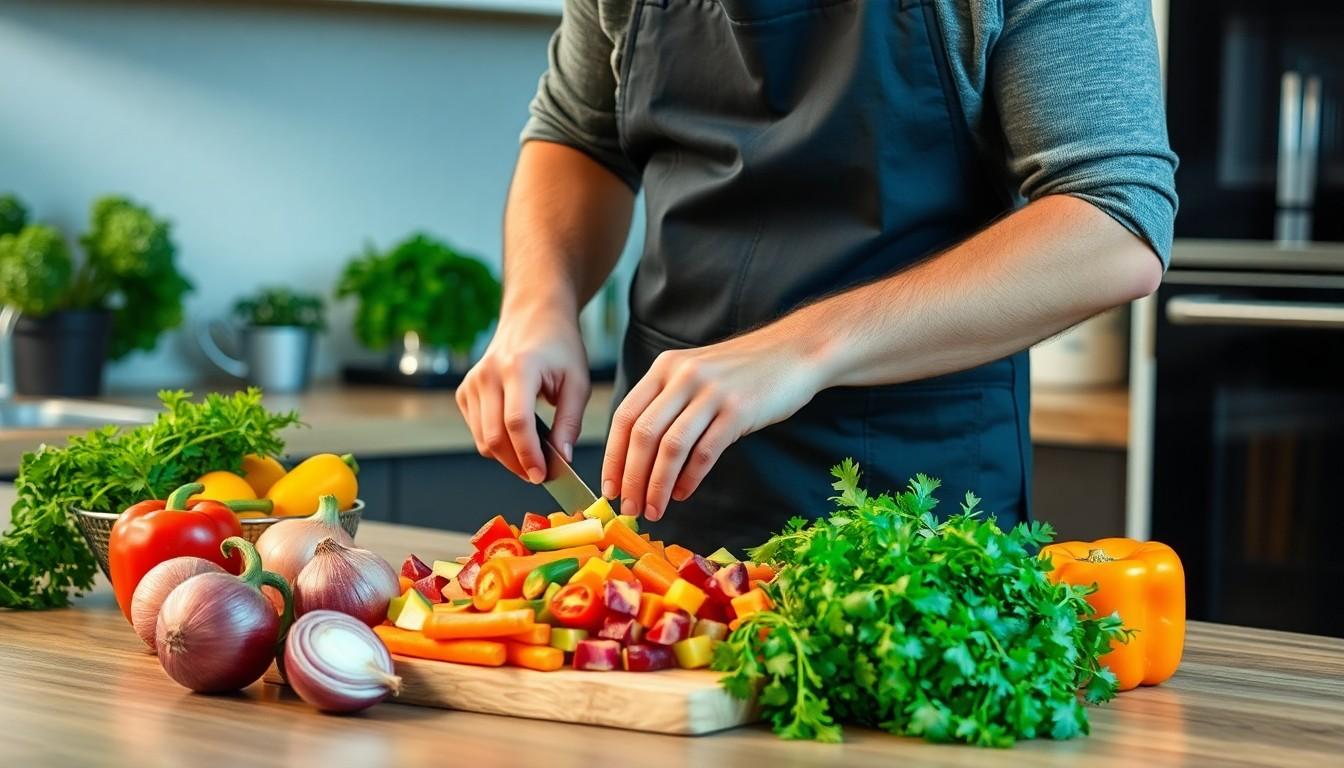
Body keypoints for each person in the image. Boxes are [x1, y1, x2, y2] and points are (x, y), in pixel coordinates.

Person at [457, 0, 1177, 553]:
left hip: (908, 519)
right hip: (669, 502)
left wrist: (801, 349)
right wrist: (539, 304)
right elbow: (579, 131)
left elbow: (1115, 219)